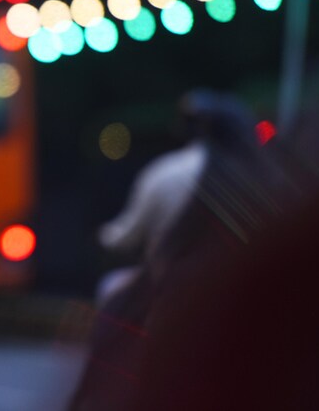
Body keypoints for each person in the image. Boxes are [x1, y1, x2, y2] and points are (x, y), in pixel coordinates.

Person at [69, 89, 277, 411]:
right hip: (250, 295)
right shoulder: (263, 176)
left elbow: (126, 236)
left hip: (171, 289)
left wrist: (101, 236)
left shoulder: (168, 172)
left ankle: (92, 395)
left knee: (111, 295)